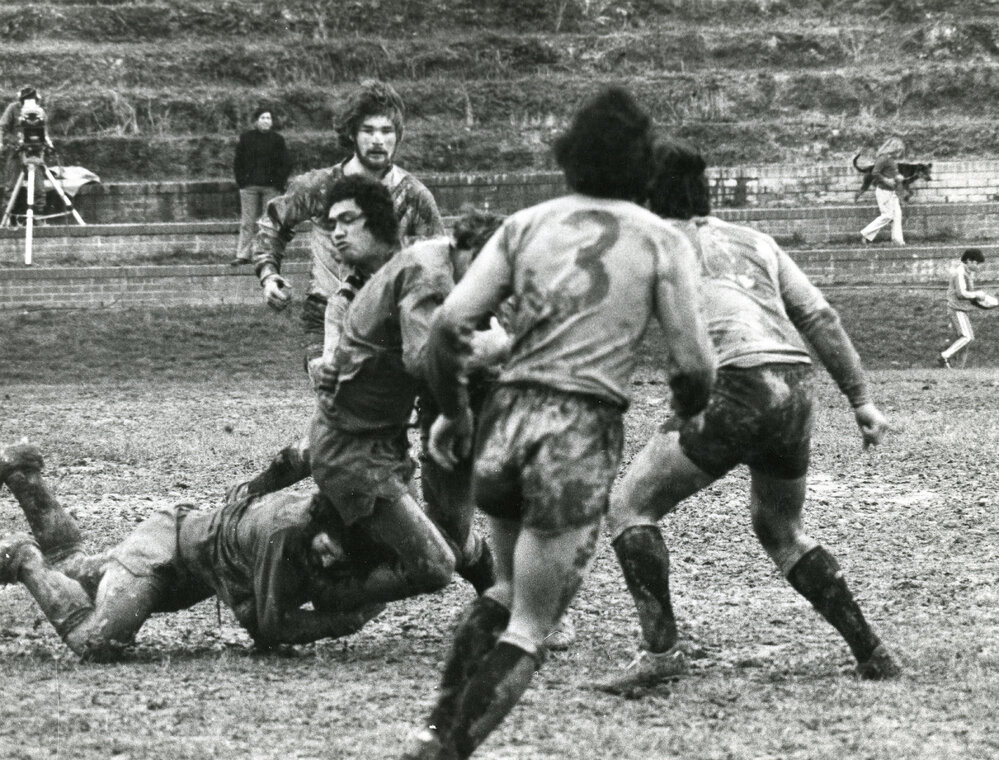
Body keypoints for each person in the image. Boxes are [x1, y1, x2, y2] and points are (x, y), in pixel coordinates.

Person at [402, 87, 716, 760]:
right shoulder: (659, 240)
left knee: (504, 585)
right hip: (578, 431)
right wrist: (685, 416)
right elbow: (694, 363)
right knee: (531, 623)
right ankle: (444, 750)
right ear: (643, 165)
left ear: (569, 153)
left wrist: (455, 413)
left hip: (506, 417)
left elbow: (451, 325)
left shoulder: (524, 226)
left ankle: (433, 726)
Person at [593, 138, 900, 696]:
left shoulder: (654, 245)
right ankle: (871, 651)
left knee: (629, 505)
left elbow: (614, 332)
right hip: (793, 387)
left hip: (734, 386)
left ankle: (661, 653)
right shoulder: (754, 238)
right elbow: (820, 316)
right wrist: (861, 401)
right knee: (781, 531)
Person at [230, 195, 505, 598]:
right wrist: (496, 346)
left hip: (445, 413)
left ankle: (516, 599)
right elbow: (412, 361)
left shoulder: (448, 270)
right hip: (391, 433)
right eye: (333, 224)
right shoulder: (385, 284)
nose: (337, 234)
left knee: (453, 536)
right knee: (434, 556)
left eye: (348, 222)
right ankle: (307, 583)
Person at [0, 442, 383, 661]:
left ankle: (23, 475)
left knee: (73, 566)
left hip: (177, 549)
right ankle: (22, 558)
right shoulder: (281, 533)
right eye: (329, 548)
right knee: (98, 645)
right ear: (319, 526)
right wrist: (342, 621)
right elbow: (266, 627)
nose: (330, 559)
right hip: (162, 555)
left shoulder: (310, 521)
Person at [252, 80, 444, 380]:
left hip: (390, 321)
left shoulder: (415, 196)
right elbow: (273, 222)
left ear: (398, 135)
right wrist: (269, 274)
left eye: (386, 131)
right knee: (337, 399)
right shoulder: (321, 186)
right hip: (326, 314)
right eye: (368, 130)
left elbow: (439, 263)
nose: (378, 140)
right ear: (352, 134)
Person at [231, 106, 291, 266]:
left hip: (270, 188)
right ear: (256, 121)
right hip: (249, 187)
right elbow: (238, 162)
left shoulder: (278, 140)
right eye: (263, 118)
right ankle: (243, 254)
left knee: (269, 222)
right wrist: (242, 182)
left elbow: (285, 163)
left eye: (269, 118)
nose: (266, 121)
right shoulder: (246, 138)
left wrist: (278, 183)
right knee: (247, 222)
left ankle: (267, 254)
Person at [0, 86, 52, 219]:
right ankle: (8, 217)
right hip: (16, 151)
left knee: (39, 187)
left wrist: (48, 143)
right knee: (11, 186)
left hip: (35, 151)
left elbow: (43, 132)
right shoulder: (13, 109)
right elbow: (3, 127)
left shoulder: (40, 111)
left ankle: (39, 216)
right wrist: (8, 141)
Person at [939, 248, 988, 369]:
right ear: (968, 261)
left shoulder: (966, 273)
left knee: (966, 339)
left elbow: (968, 294)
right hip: (956, 309)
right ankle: (945, 355)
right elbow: (961, 293)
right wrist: (978, 295)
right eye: (976, 263)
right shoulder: (960, 273)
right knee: (967, 337)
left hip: (961, 309)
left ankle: (959, 368)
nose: (978, 267)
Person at [859, 135, 907, 246]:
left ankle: (897, 240)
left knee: (897, 215)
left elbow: (891, 174)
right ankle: (865, 233)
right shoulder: (883, 158)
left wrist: (898, 177)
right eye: (899, 151)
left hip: (891, 192)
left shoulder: (890, 160)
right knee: (888, 215)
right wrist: (886, 180)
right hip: (884, 191)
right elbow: (875, 172)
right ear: (894, 148)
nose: (900, 154)